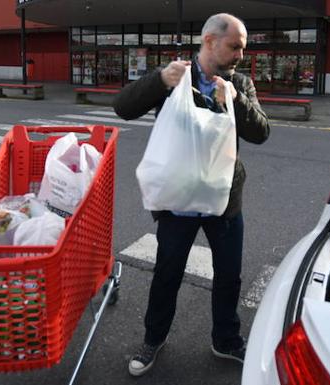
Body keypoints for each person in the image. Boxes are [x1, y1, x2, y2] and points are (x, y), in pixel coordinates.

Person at [113, 13, 270, 377]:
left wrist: (235, 100)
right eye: (235, 47)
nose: (240, 56)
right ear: (210, 41)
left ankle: (226, 340)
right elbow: (123, 107)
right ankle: (153, 339)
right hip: (179, 202)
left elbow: (261, 133)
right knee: (167, 273)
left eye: (243, 48)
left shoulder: (240, 83)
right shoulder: (173, 78)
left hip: (223, 201)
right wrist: (157, 80)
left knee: (229, 275)